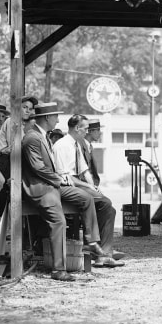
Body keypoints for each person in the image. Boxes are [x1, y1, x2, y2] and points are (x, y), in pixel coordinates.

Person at [21, 102, 106, 282]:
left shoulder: (42, 135)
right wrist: (59, 178)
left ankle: (91, 242)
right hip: (41, 188)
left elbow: (47, 168)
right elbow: (38, 168)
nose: (58, 120)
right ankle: (58, 269)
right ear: (46, 118)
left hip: (51, 184)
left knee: (85, 197)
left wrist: (60, 178)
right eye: (55, 116)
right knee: (58, 221)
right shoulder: (32, 138)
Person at [53, 114, 123, 267]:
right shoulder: (61, 146)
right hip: (68, 187)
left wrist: (94, 187)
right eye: (85, 129)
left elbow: (84, 170)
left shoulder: (77, 144)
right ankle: (95, 247)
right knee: (105, 203)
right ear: (77, 128)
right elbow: (65, 177)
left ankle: (105, 253)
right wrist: (88, 187)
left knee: (109, 209)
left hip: (80, 185)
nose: (87, 131)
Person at [82, 119, 102, 187]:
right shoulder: (81, 146)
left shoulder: (90, 146)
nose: (100, 133)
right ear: (90, 131)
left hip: (92, 185)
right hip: (85, 185)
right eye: (98, 130)